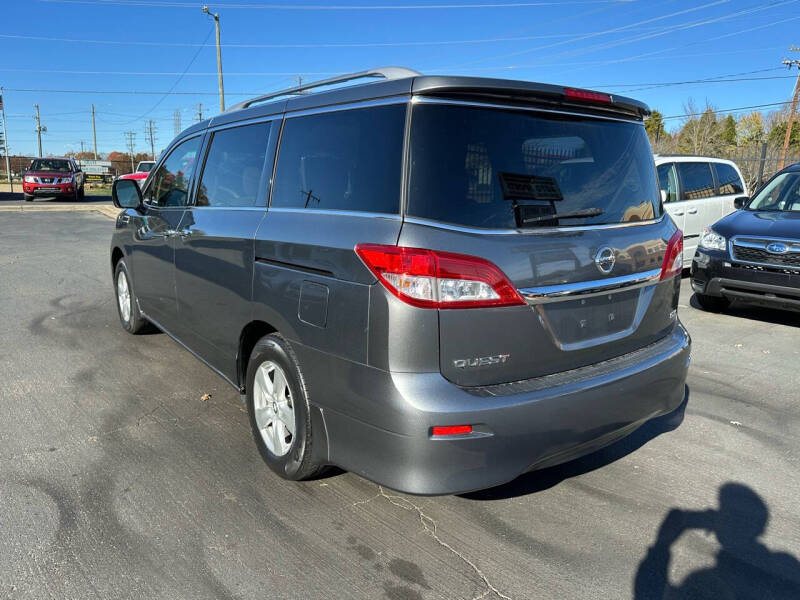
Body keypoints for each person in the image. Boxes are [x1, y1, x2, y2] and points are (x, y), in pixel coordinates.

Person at [635, 483, 800, 599]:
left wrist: (661, 546)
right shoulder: (783, 566)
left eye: (724, 512)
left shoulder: (707, 582)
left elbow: (648, 594)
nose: (711, 512)